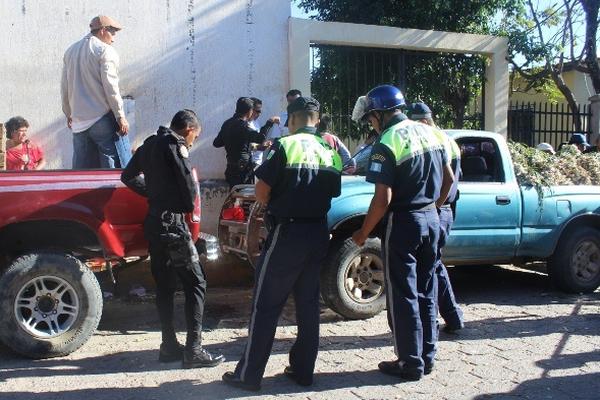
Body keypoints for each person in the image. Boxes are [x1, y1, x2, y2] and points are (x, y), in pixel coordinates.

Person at [222, 97, 342, 391]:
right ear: (317, 118)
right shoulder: (330, 150)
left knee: (266, 305)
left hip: (287, 235)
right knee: (308, 305)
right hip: (317, 234)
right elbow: (334, 191)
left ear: (293, 118)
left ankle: (248, 376)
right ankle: (303, 372)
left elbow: (262, 190)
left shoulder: (285, 145)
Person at [351, 85, 454, 381]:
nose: (371, 124)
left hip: (405, 223)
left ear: (381, 115)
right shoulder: (431, 132)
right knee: (427, 289)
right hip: (432, 219)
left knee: (403, 295)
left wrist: (362, 233)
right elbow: (448, 179)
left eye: (371, 118)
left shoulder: (388, 140)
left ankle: (410, 362)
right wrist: (432, 207)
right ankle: (427, 357)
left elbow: (382, 199)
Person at [121, 109, 224, 369]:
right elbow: (189, 193)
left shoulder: (149, 145)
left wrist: (153, 194)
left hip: (155, 223)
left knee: (165, 286)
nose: (192, 142)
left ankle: (168, 346)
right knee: (196, 283)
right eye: (194, 137)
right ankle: (194, 350)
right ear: (189, 130)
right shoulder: (175, 147)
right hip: (173, 226)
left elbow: (127, 176)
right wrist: (177, 203)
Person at [408, 102, 465, 333]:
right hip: (444, 210)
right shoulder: (447, 139)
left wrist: (434, 206)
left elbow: (447, 180)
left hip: (437, 209)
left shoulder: (432, 139)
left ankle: (433, 324)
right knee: (435, 265)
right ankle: (453, 317)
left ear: (422, 121)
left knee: (429, 270)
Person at [61, 15, 130, 169]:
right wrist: (120, 116)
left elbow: (64, 87)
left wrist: (68, 113)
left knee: (82, 173)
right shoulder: (105, 51)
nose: (114, 38)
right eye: (113, 33)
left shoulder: (70, 51)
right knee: (112, 169)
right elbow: (111, 87)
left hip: (78, 122)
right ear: (103, 30)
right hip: (102, 119)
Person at [213, 97, 268, 187]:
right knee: (245, 198)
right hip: (243, 171)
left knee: (234, 197)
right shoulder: (243, 126)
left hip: (231, 168)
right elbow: (260, 138)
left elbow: (217, 143)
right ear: (250, 111)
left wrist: (231, 140)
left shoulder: (227, 123)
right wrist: (269, 123)